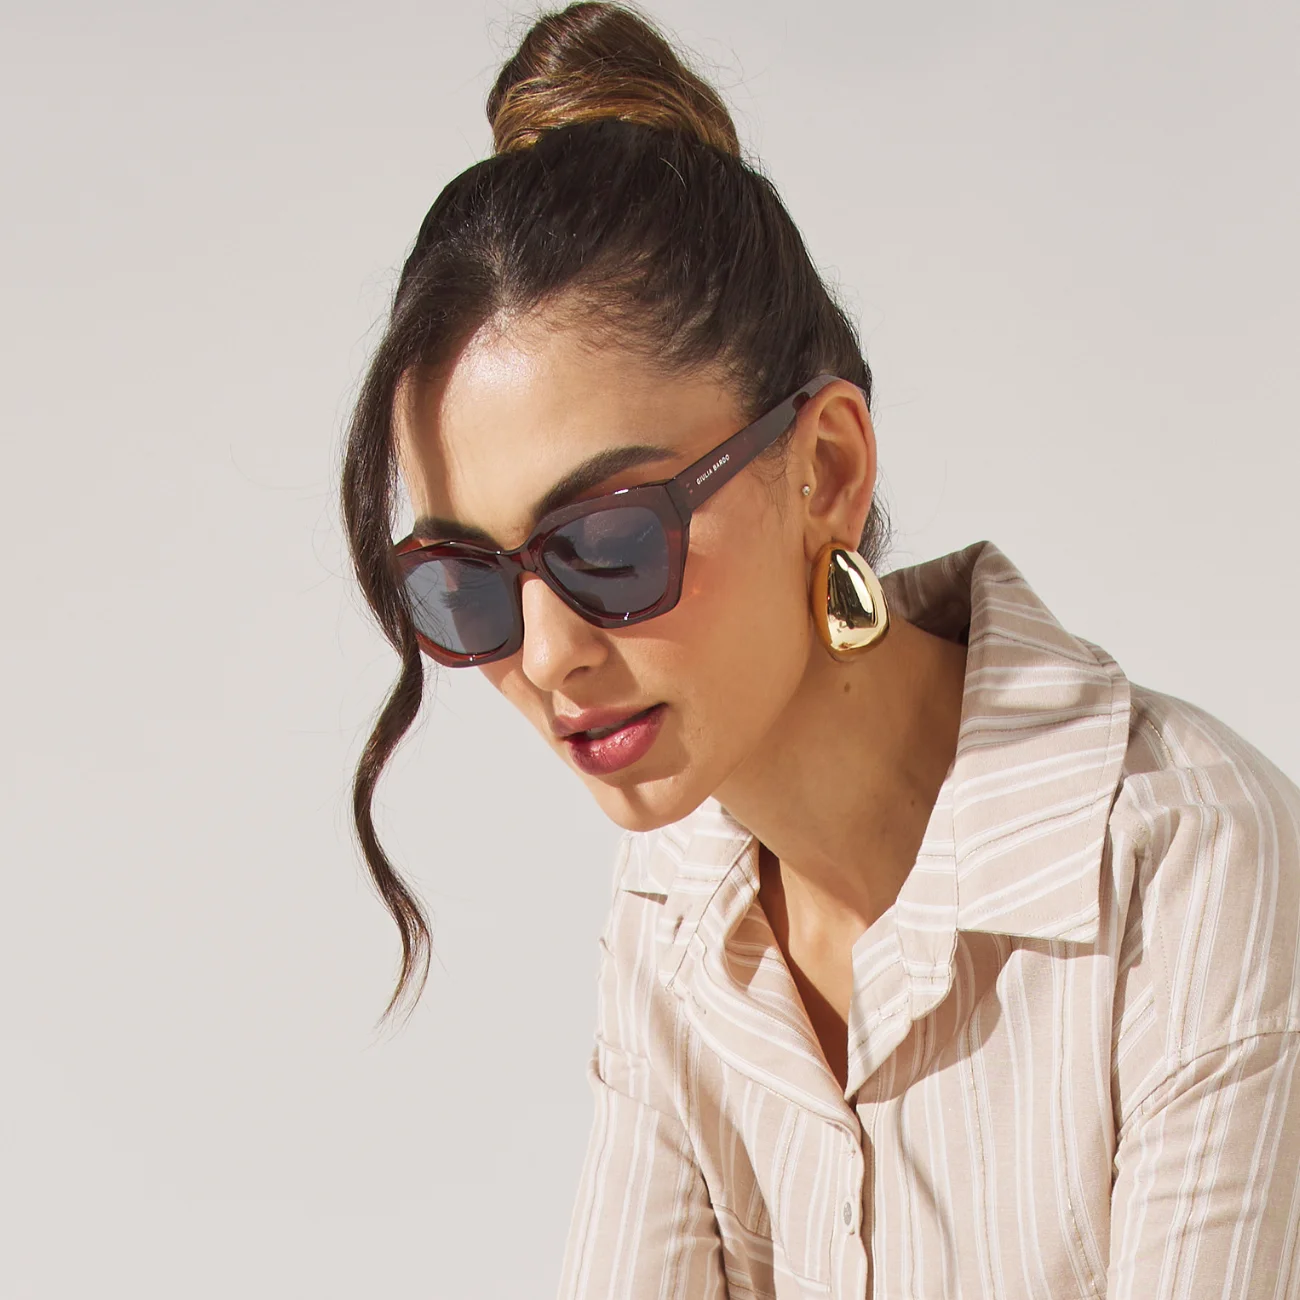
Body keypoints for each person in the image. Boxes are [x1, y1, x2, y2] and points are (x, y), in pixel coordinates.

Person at [337, 3, 1300, 1296]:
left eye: (610, 543)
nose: (551, 655)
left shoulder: (1187, 865)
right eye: (465, 586)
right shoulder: (678, 901)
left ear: (829, 469)